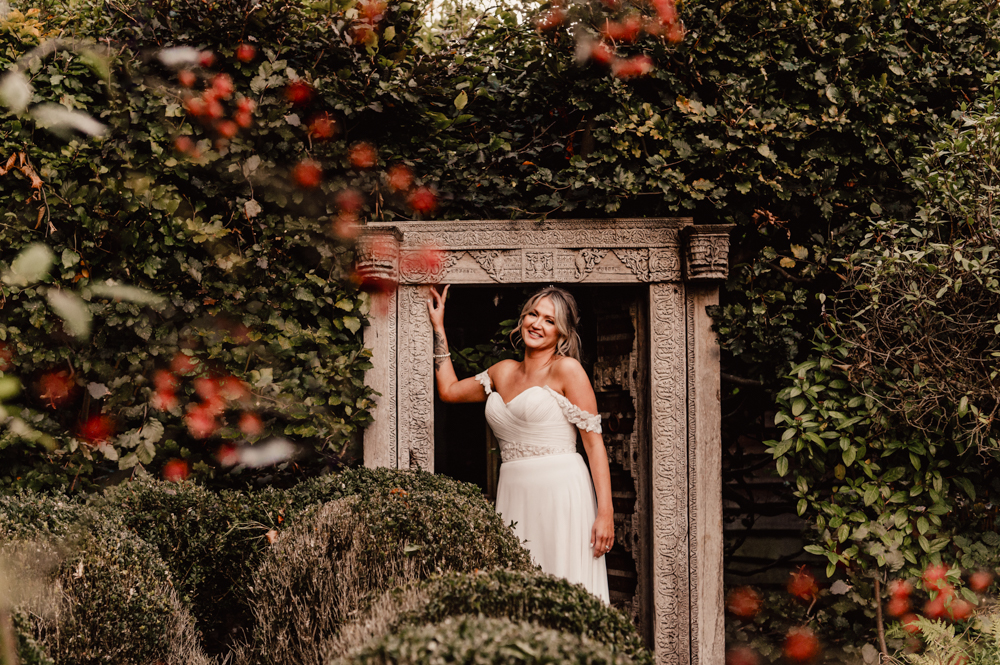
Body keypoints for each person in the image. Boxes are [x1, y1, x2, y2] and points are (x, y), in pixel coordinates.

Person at [427, 285, 612, 602]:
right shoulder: (502, 371)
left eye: (550, 321)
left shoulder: (566, 369)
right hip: (513, 491)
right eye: (533, 314)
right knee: (515, 589)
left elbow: (594, 445)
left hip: (562, 492)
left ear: (562, 333)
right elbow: (449, 390)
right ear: (522, 319)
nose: (537, 324)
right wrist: (438, 327)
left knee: (563, 587)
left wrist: (605, 512)